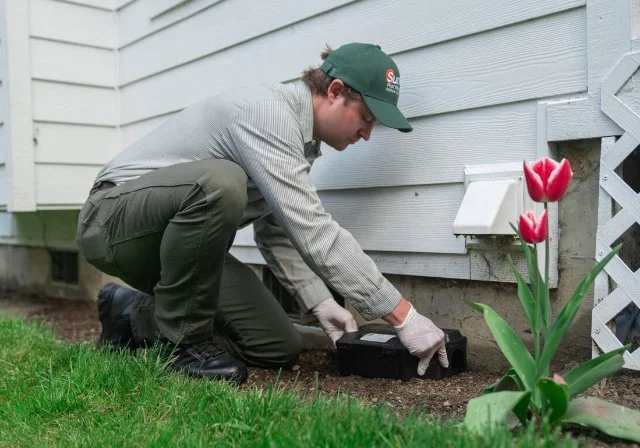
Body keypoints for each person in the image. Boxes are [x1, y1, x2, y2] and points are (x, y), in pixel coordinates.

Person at [77, 42, 449, 384]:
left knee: (276, 346)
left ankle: (130, 313)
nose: (367, 133)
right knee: (220, 181)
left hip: (181, 250)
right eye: (366, 117)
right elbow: (315, 231)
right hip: (111, 221)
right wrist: (402, 314)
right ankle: (183, 347)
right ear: (335, 92)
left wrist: (319, 301)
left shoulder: (300, 145)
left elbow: (275, 231)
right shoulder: (267, 114)